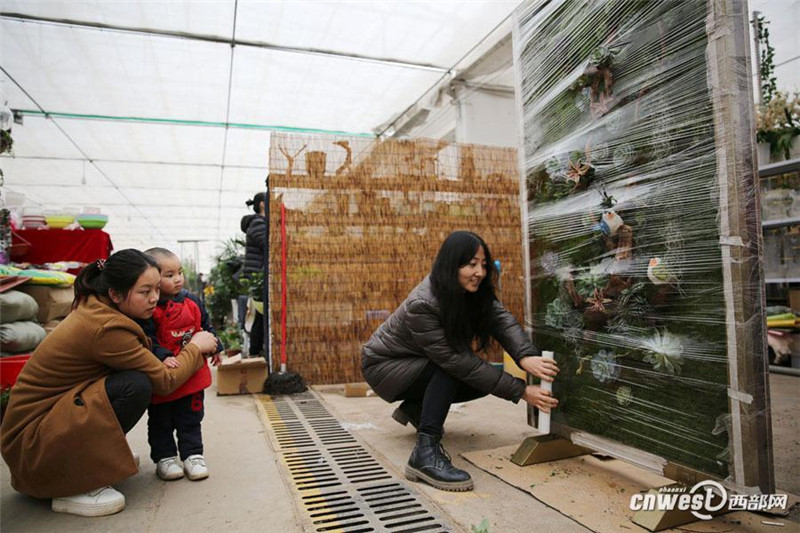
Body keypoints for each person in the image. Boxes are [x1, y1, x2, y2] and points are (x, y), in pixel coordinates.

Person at [0, 249, 219, 517]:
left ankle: (92, 459)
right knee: (136, 386)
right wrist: (196, 347)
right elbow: (165, 381)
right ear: (115, 294)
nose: (155, 298)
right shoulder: (108, 328)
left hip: (36, 437)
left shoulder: (99, 306)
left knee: (132, 380)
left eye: (156, 289)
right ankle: (73, 484)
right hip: (33, 449)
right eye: (144, 292)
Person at [361, 231, 559, 492]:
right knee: (455, 369)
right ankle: (425, 454)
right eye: (470, 264)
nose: (479, 272)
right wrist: (521, 391)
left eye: (483, 264)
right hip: (384, 368)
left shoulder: (471, 291)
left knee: (482, 378)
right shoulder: (424, 303)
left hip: (417, 364)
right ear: (451, 264)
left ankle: (417, 409)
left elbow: (501, 319)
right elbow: (456, 361)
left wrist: (525, 355)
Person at [140, 248, 223, 482]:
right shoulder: (149, 309)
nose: (177, 278)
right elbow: (146, 338)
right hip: (164, 374)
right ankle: (165, 458)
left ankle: (193, 455)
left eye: (179, 272)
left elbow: (205, 326)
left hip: (192, 373)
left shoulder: (192, 301)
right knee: (160, 420)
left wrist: (216, 346)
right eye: (169, 275)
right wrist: (162, 355)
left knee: (191, 417)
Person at [240, 191, 267, 357]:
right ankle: (255, 352)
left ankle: (255, 352)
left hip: (259, 276)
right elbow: (269, 244)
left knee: (260, 316)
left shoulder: (259, 223)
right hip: (259, 277)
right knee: (262, 316)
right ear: (263, 204)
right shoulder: (258, 223)